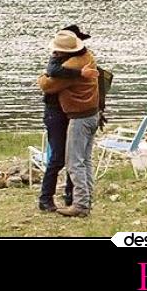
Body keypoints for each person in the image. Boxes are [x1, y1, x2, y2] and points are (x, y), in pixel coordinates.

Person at [37, 29, 99, 218]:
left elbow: (47, 84)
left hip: (75, 116)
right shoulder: (87, 59)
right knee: (78, 158)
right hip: (76, 114)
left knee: (73, 161)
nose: (55, 54)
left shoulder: (72, 65)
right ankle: (77, 199)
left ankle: (78, 203)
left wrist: (42, 77)